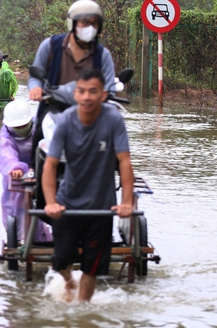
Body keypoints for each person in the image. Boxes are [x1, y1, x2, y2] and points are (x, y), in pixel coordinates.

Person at [42, 68, 134, 303]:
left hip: (100, 207)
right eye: (81, 92)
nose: (87, 97)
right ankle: (69, 281)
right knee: (61, 260)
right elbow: (50, 165)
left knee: (92, 267)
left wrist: (126, 202)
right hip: (67, 204)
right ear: (75, 95)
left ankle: (82, 313)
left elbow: (124, 162)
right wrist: (51, 203)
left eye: (93, 92)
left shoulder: (113, 120)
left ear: (103, 94)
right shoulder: (65, 122)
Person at [28, 0, 116, 101]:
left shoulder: (102, 55)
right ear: (72, 23)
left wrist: (106, 95)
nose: (90, 27)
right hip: (52, 109)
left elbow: (110, 88)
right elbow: (35, 77)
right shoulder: (50, 46)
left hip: (89, 111)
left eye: (94, 23)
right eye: (85, 22)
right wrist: (36, 88)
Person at [0, 101, 52, 242]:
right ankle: (19, 236)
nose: (21, 128)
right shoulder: (7, 136)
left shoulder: (41, 128)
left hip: (43, 170)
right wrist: (15, 168)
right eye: (17, 127)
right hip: (18, 174)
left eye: (23, 125)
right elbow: (7, 154)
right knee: (15, 203)